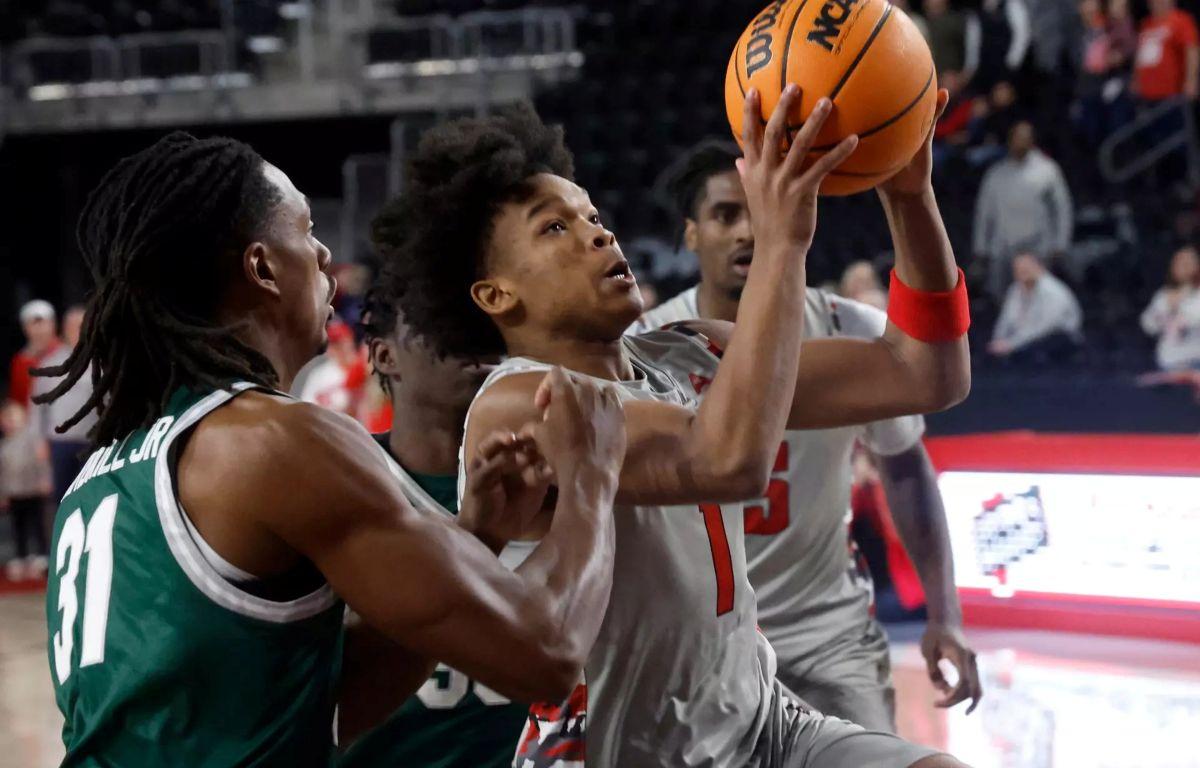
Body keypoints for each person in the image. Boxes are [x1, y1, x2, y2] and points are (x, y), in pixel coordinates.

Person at [382, 89, 972, 767]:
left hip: (760, 718)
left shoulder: (683, 348)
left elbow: (924, 372)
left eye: (593, 216)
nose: (598, 233)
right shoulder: (522, 402)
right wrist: (781, 238)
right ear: (495, 294)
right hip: (629, 746)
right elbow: (727, 460)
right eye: (555, 228)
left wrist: (907, 192)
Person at [33, 131, 626, 766]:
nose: (323, 255)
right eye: (307, 230)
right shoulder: (271, 442)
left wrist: (475, 537)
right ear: (261, 267)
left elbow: (330, 707)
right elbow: (547, 655)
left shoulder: (104, 470)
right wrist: (593, 473)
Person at [633, 139, 981, 732]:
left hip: (827, 637)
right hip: (699, 643)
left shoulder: (851, 328)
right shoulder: (648, 345)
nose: (746, 231)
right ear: (691, 235)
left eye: (757, 212)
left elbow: (906, 464)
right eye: (724, 215)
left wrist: (944, 612)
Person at [336, 267, 529, 767]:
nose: (473, 335)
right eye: (443, 319)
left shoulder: (553, 481)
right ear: (384, 354)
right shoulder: (332, 486)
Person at [973, 121, 1074, 298]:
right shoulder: (996, 174)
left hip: (1039, 247)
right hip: (1004, 248)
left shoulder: (1048, 170)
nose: (1021, 142)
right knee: (1002, 298)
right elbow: (984, 213)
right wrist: (981, 248)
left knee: (1040, 295)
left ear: (1032, 141)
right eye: (1017, 138)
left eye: (1025, 138)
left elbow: (1062, 209)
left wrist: (1061, 244)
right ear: (1010, 141)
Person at [30, 305, 96, 504]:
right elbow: (36, 406)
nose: (78, 330)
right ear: (65, 328)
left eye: (82, 325)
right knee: (62, 499)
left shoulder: (102, 361)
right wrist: (38, 441)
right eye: (73, 326)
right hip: (60, 444)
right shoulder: (50, 362)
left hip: (92, 441)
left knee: (91, 497)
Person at [988, 252, 1083, 363]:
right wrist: (998, 340)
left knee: (1027, 355)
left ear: (1039, 267)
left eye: (1026, 268)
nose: (1022, 272)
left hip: (1057, 336)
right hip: (1025, 335)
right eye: (1018, 269)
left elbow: (1044, 327)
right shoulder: (1015, 289)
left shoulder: (1052, 291)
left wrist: (1011, 344)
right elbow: (1005, 319)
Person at [0, 400, 51, 581]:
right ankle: (21, 557)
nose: (9, 422)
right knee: (18, 527)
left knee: (37, 525)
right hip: (14, 493)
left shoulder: (32, 439)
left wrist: (45, 480)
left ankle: (41, 556)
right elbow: (3, 472)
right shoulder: (5, 445)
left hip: (33, 490)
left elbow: (41, 462)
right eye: (6, 419)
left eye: (12, 418)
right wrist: (3, 494)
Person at [1140, 244, 1200, 370]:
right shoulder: (1163, 295)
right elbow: (1148, 324)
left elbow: (1193, 320)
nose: (1182, 267)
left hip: (1195, 360)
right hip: (1169, 361)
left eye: (1187, 263)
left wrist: (1177, 308)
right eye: (1178, 262)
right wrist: (1163, 313)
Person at [8, 299, 62, 408]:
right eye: (33, 324)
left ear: (53, 324)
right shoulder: (20, 361)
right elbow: (17, 402)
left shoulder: (69, 354)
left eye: (43, 323)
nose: (39, 329)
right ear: (25, 328)